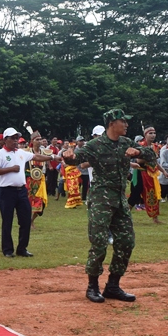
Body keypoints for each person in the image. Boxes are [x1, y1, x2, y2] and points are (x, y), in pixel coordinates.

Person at [61, 108, 157, 303]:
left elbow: (151, 155)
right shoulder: (95, 145)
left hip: (120, 199)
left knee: (126, 241)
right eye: (124, 121)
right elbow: (75, 159)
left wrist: (138, 151)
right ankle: (92, 286)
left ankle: (113, 285)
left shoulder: (126, 142)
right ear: (112, 123)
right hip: (101, 200)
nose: (127, 125)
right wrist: (68, 155)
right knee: (99, 242)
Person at [0, 127, 60, 258]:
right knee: (7, 220)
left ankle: (22, 248)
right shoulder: (0, 154)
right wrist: (11, 169)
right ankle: (7, 249)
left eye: (17, 138)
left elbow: (36, 156)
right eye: (13, 138)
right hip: (6, 191)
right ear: (5, 140)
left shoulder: (21, 152)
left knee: (25, 219)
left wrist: (52, 157)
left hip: (21, 190)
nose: (16, 141)